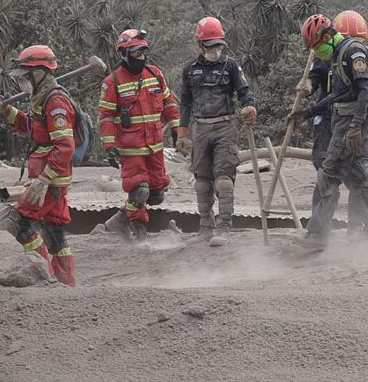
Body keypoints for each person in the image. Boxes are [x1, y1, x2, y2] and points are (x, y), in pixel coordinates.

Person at [293, 14, 368, 250]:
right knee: (358, 179)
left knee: (328, 175)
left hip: (349, 124)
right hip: (342, 119)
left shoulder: (352, 52)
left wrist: (356, 124)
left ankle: (317, 235)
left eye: (317, 46)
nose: (317, 52)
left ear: (326, 36)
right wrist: (309, 112)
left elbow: (364, 91)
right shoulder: (336, 56)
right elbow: (338, 95)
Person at [0, 45, 77, 286]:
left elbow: (65, 146)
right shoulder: (42, 98)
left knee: (19, 222)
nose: (21, 83)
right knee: (54, 232)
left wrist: (43, 180)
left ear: (39, 73)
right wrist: (7, 110)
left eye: (25, 77)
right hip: (49, 180)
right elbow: (33, 128)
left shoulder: (55, 101)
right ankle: (66, 285)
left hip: (49, 181)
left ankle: (41, 274)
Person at [177, 17, 257, 247]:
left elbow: (244, 91)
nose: (215, 49)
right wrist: (182, 133)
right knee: (202, 182)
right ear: (200, 45)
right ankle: (205, 225)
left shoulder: (231, 66)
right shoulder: (190, 70)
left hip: (225, 126)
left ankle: (224, 227)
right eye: (210, 45)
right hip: (200, 128)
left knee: (224, 181)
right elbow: (185, 102)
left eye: (219, 44)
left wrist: (249, 106)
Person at [98, 29, 181, 241]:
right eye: (136, 52)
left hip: (155, 147)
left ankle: (118, 221)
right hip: (131, 149)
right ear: (124, 54)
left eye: (143, 51)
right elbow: (106, 117)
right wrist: (110, 146)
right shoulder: (112, 82)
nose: (141, 56)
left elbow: (169, 102)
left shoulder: (154, 74)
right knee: (139, 191)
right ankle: (140, 236)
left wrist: (176, 130)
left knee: (156, 195)